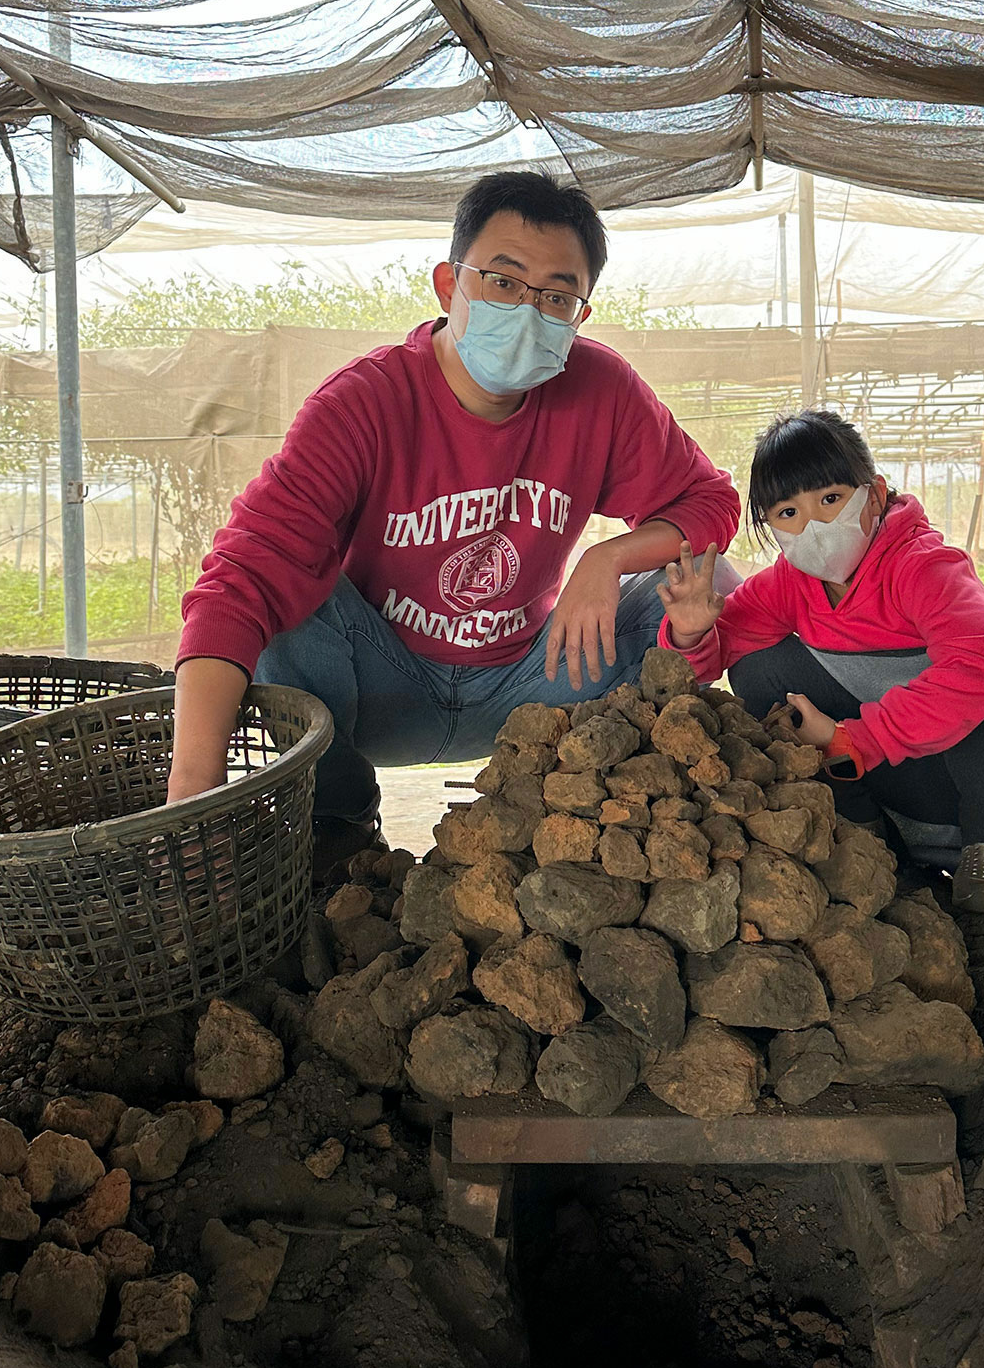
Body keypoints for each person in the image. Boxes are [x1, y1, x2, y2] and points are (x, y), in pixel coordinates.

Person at [168, 170, 740, 855]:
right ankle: (337, 827)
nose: (528, 311)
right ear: (449, 284)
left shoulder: (603, 391)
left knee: (710, 581)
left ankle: (597, 802)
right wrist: (191, 796)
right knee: (285, 608)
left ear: (580, 316)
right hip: (381, 680)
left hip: (535, 682)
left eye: (556, 296)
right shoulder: (363, 404)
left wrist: (609, 556)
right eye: (503, 282)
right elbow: (241, 578)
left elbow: (710, 501)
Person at [656, 408, 984, 912]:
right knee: (757, 667)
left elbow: (982, 673)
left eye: (831, 500)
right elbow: (717, 652)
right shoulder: (792, 584)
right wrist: (690, 629)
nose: (813, 526)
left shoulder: (924, 566)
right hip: (895, 767)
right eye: (788, 513)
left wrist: (850, 739)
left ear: (874, 495)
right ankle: (869, 838)